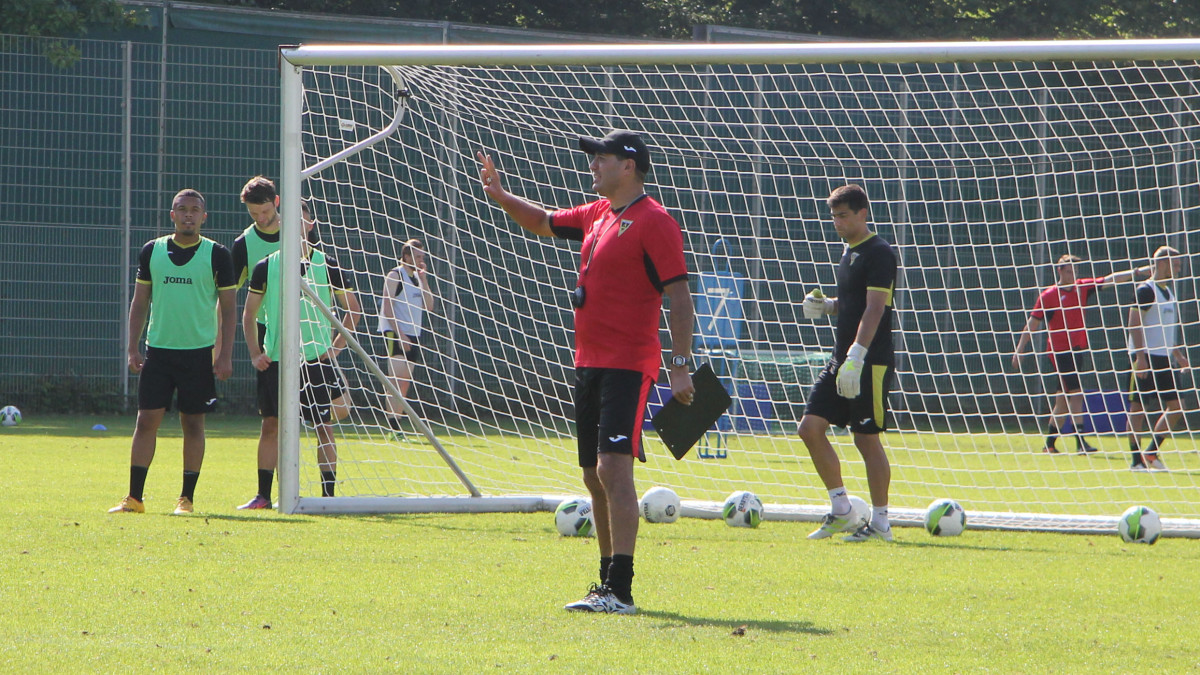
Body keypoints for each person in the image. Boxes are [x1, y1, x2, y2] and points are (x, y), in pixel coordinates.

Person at [477, 130, 695, 615]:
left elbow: (679, 297)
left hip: (629, 364)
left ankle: (621, 590)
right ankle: (605, 583)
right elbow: (542, 221)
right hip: (589, 362)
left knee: (613, 468)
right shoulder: (597, 213)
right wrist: (502, 195)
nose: (593, 165)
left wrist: (680, 367)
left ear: (629, 166)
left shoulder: (655, 221)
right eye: (593, 158)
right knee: (593, 475)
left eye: (603, 158)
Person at [109, 189, 237, 515]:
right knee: (145, 421)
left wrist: (224, 354)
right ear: (172, 215)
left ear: (204, 217)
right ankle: (134, 498)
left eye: (194, 210)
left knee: (193, 425)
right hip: (158, 353)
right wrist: (132, 347)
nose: (188, 215)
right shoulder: (152, 250)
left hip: (198, 354)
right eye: (182, 209)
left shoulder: (217, 254)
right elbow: (140, 302)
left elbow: (229, 309)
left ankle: (186, 499)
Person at [239, 204, 361, 506]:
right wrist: (255, 353)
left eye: (301, 219)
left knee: (323, 426)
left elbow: (353, 310)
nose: (295, 225)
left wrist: (334, 348)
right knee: (271, 426)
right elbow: (249, 313)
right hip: (278, 360)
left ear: (310, 224)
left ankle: (328, 497)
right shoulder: (267, 266)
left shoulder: (327, 264)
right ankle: (264, 496)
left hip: (315, 361)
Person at [799, 184, 898, 542]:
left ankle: (881, 523)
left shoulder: (879, 252)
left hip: (868, 361)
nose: (837, 223)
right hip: (840, 359)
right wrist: (828, 306)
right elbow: (854, 303)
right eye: (834, 217)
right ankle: (842, 510)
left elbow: (875, 308)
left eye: (843, 216)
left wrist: (857, 355)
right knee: (809, 428)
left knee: (865, 439)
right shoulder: (849, 251)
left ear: (862, 213)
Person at [1013, 254, 1150, 454]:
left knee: (1062, 401)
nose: (1072, 275)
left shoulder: (1082, 287)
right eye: (1069, 271)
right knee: (1076, 395)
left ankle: (1049, 445)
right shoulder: (1049, 296)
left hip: (1077, 351)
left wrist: (1136, 272)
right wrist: (1020, 349)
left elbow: (1110, 279)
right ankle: (1080, 443)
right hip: (1059, 353)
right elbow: (1032, 324)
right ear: (1060, 271)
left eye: (1075, 271)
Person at [1127, 246, 1188, 472]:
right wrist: (1140, 357)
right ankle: (1136, 461)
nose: (1178, 269)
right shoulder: (1146, 290)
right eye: (1175, 264)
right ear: (1162, 264)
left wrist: (1178, 355)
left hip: (1164, 358)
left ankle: (1151, 452)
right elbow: (1134, 323)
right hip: (1145, 358)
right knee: (1138, 408)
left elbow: (1165, 330)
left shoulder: (1168, 292)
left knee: (1177, 407)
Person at [378, 238, 435, 438]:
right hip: (395, 333)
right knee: (395, 381)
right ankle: (393, 428)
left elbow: (429, 306)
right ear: (406, 256)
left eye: (422, 257)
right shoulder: (395, 275)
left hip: (414, 334)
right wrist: (400, 335)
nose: (420, 260)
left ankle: (397, 423)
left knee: (404, 383)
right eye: (417, 256)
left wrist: (425, 281)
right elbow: (387, 307)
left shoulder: (418, 278)